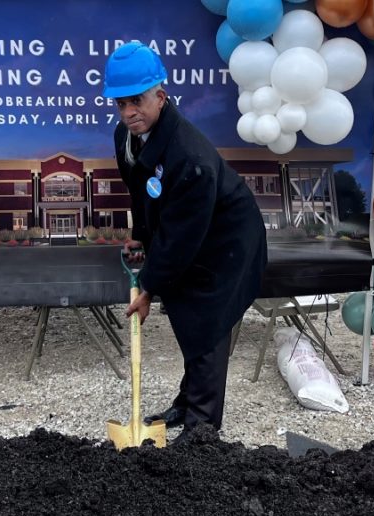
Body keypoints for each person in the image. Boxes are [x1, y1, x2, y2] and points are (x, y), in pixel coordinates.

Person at [103, 41, 267, 442]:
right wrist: (140, 238)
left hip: (227, 239)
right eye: (120, 103)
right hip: (192, 231)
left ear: (160, 96)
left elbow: (182, 237)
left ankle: (202, 426)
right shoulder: (127, 137)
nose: (128, 113)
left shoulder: (187, 156)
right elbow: (142, 195)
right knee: (185, 315)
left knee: (206, 322)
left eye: (137, 101)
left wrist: (149, 288)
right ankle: (188, 400)